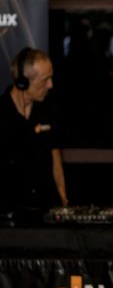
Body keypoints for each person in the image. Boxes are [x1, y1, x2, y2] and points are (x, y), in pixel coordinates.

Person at [0, 48, 68, 223]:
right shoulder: (2, 113)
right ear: (22, 82)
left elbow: (55, 156)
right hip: (9, 215)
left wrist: (62, 197)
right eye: (45, 80)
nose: (50, 85)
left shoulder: (49, 108)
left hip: (46, 210)